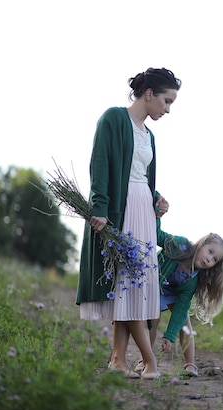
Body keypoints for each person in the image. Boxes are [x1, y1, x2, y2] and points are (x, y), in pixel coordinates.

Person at [76, 67, 181, 380]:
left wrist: (156, 198)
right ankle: (149, 361)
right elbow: (100, 164)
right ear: (149, 94)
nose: (168, 109)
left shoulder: (150, 136)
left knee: (132, 287)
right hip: (120, 211)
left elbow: (142, 177)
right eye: (167, 101)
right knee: (128, 284)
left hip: (143, 213)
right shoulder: (113, 119)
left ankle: (118, 360)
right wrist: (99, 208)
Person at [143, 218, 223, 377]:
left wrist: (169, 336)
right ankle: (145, 360)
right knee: (152, 319)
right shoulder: (180, 245)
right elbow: (158, 235)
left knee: (184, 322)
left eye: (214, 260)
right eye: (210, 252)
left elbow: (182, 307)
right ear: (202, 243)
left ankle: (190, 365)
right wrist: (156, 216)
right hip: (157, 285)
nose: (209, 259)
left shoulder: (193, 279)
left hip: (175, 292)